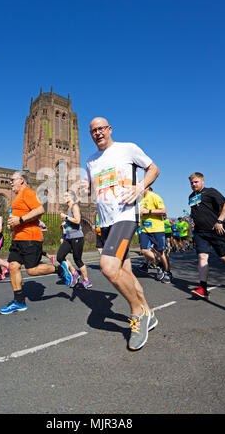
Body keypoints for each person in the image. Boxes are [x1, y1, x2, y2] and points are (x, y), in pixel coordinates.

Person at [83, 117, 160, 351]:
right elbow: (90, 187)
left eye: (101, 129)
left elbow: (154, 168)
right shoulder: (91, 161)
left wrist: (140, 187)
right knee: (124, 271)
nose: (97, 133)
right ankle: (148, 311)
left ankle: (138, 314)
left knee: (107, 267)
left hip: (125, 216)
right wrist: (83, 188)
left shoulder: (128, 148)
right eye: (93, 130)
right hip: (105, 222)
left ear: (109, 129)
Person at [0, 171, 73, 315]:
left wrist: (20, 220)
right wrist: (13, 224)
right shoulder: (18, 197)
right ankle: (19, 302)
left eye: (12, 180)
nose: (10, 182)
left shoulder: (27, 192)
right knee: (13, 266)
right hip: (18, 238)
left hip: (30, 238)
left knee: (31, 270)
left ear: (21, 180)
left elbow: (39, 210)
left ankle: (60, 269)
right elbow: (25, 216)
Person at [188, 172, 225, 298]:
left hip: (215, 231)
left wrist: (219, 221)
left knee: (224, 257)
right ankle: (203, 288)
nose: (193, 184)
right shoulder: (191, 197)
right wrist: (193, 221)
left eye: (196, 182)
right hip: (200, 232)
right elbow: (196, 211)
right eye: (191, 183)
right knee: (202, 257)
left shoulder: (210, 192)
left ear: (202, 181)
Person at [57, 190, 91, 288]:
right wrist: (64, 228)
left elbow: (77, 220)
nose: (64, 197)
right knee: (60, 256)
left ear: (71, 197)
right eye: (64, 195)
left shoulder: (75, 206)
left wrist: (66, 218)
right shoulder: (68, 209)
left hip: (77, 237)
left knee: (78, 260)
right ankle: (74, 272)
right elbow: (69, 224)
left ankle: (86, 280)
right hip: (68, 238)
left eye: (66, 196)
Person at [139, 187, 172, 283]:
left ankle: (168, 272)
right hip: (145, 229)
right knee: (144, 250)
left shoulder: (154, 196)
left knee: (160, 252)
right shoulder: (140, 199)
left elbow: (163, 210)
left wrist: (148, 211)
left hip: (157, 229)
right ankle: (159, 265)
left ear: (147, 187)